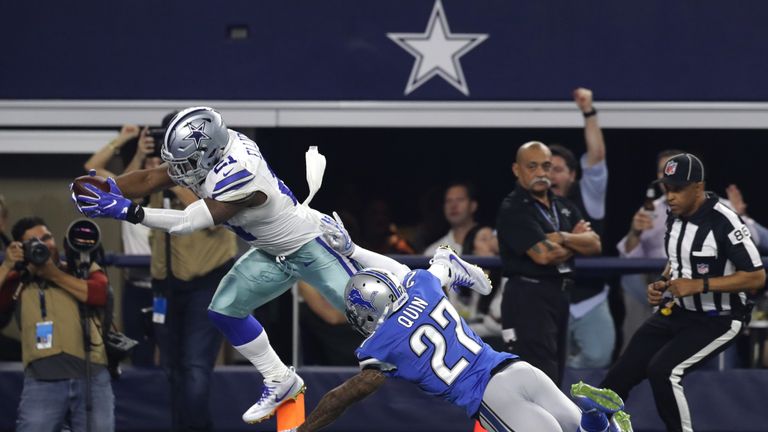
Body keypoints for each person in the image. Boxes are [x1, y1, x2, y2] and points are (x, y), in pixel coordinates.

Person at [70, 106, 357, 424]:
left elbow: (190, 221)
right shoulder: (212, 151)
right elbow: (153, 177)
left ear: (208, 152)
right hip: (268, 251)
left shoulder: (240, 172)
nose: (180, 170)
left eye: (186, 162)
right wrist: (108, 188)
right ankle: (280, 379)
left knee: (368, 312)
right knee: (224, 310)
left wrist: (131, 212)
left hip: (306, 246)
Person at [298, 217, 631, 432]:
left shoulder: (378, 346)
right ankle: (598, 426)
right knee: (578, 428)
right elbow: (401, 268)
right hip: (517, 369)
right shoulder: (422, 287)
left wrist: (304, 430)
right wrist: (353, 249)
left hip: (490, 396)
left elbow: (345, 396)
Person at [602, 153, 766, 432]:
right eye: (667, 188)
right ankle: (597, 427)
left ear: (698, 187)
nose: (670, 196)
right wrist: (664, 282)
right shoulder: (673, 215)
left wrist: (700, 285)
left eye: (678, 188)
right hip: (680, 310)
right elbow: (678, 259)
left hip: (722, 317)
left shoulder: (725, 221)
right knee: (618, 377)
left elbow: (757, 276)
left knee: (664, 371)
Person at [616, 150, 761, 350]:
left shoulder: (723, 212)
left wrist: (743, 218)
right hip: (667, 297)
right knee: (644, 359)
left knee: (679, 368)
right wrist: (635, 233)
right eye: (662, 172)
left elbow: (756, 256)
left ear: (696, 183)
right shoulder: (652, 211)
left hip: (716, 308)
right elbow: (630, 255)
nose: (667, 179)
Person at [496, 141, 601, 386]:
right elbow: (543, 255)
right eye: (532, 166)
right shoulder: (513, 208)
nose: (542, 173)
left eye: (546, 166)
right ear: (517, 170)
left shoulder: (563, 206)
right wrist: (576, 241)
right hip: (527, 297)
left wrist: (562, 237)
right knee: (538, 378)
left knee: (556, 375)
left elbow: (595, 244)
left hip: (559, 295)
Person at [0, 217, 115, 431]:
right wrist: (7, 266)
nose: (43, 245)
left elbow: (100, 294)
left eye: (47, 238)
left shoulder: (83, 268)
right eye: (34, 242)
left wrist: (54, 274)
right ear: (21, 249)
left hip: (92, 377)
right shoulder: (18, 281)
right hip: (42, 381)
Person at [548, 88, 614, 369]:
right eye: (545, 168)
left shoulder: (588, 195)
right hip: (550, 298)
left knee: (598, 360)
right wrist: (573, 239)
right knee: (547, 368)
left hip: (589, 299)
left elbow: (597, 157)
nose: (551, 175)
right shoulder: (526, 205)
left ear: (573, 175)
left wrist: (588, 112)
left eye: (558, 169)